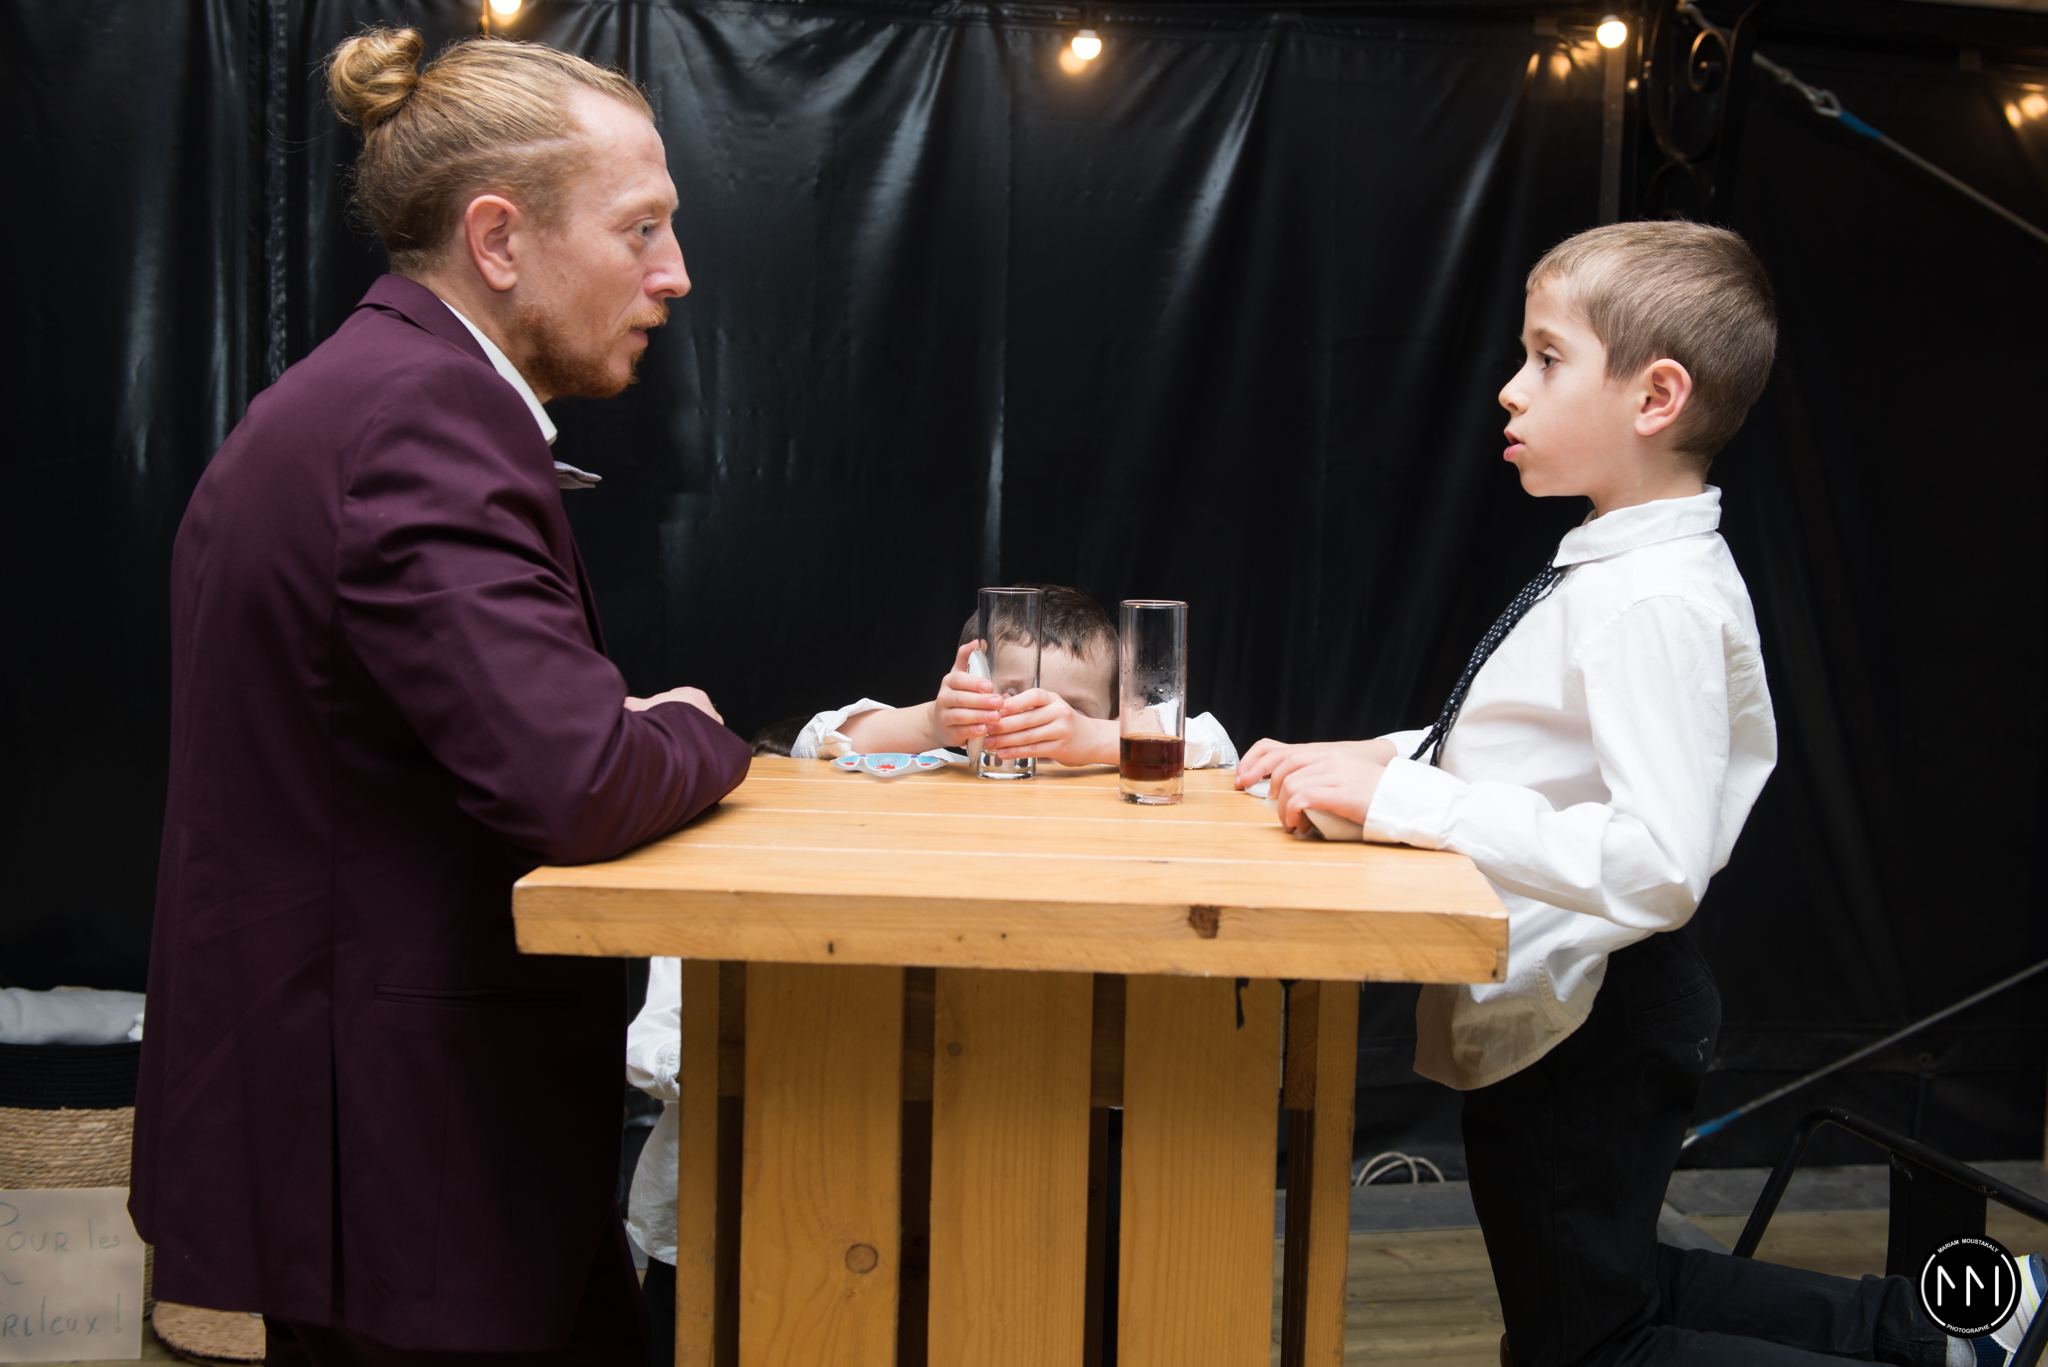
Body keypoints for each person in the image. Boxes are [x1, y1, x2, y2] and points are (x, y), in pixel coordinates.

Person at [1237, 221, 2043, 1367]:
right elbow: (1526, 752)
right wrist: (1368, 762)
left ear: (1655, 395)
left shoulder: (1649, 598)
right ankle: (1953, 1328)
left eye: (1546, 357)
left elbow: (1656, 861)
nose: (1510, 388)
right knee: (1603, 1285)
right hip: (1581, 999)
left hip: (1592, 1009)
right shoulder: (1617, 565)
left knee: (1587, 1344)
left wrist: (1406, 802)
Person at [129, 29, 753, 1367]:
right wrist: (699, 731)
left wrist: (615, 726)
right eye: (640, 226)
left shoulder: (371, 391)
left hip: (390, 1135)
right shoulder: (421, 419)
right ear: (499, 238)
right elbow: (575, 782)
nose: (674, 272)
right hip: (409, 1158)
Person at [791, 583, 1239, 769]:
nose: (1040, 716)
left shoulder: (1115, 770)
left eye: (1074, 710)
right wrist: (933, 724)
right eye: (1012, 696)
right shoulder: (952, 768)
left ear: (1113, 716)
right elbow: (809, 745)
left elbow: (1221, 750)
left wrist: (1095, 741)